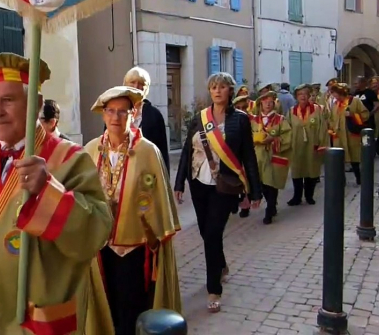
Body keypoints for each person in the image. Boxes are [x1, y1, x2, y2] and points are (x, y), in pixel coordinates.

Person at [0, 53, 113, 334]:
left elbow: (96, 233)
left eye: (8, 100)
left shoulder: (69, 159)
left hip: (36, 322)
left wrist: (49, 192)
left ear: (36, 104)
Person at [85, 86, 181, 334]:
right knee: (106, 307)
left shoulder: (148, 151)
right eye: (110, 111)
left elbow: (160, 199)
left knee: (131, 309)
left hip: (134, 246)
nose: (115, 118)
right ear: (103, 114)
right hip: (99, 248)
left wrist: (156, 234)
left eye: (122, 112)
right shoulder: (90, 150)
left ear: (133, 113)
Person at [174, 72, 262, 313]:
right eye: (213, 87)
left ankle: (214, 289)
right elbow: (186, 152)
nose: (217, 91)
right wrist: (179, 183)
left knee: (213, 233)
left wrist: (255, 190)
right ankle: (220, 264)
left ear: (230, 91)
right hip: (199, 183)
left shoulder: (240, 120)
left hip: (225, 185)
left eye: (222, 87)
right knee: (206, 232)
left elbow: (248, 156)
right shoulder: (199, 118)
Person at [250, 91, 292, 225]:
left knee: (272, 183)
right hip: (258, 157)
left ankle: (270, 210)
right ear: (260, 103)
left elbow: (288, 138)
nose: (268, 104)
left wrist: (273, 139)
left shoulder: (280, 119)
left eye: (271, 101)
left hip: (273, 156)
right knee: (262, 184)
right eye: (265, 101)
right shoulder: (253, 120)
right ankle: (271, 205)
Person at [123, 67, 171, 173]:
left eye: (141, 84)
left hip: (146, 173)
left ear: (147, 88)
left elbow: (162, 151)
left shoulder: (155, 115)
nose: (136, 87)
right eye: (132, 82)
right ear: (125, 85)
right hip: (120, 172)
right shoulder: (116, 111)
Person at [287, 84, 328, 206]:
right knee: (297, 170)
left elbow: (323, 128)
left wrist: (321, 144)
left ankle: (309, 196)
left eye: (305, 94)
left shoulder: (317, 110)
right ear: (296, 97)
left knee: (312, 170)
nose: (303, 96)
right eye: (300, 94)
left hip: (313, 145)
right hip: (296, 146)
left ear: (309, 95)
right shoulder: (291, 112)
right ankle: (297, 196)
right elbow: (286, 130)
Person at [328, 83, 370, 185]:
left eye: (334, 93)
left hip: (351, 134)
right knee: (339, 159)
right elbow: (332, 119)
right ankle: (341, 180)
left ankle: (359, 178)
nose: (333, 96)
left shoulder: (354, 101)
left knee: (354, 158)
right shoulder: (335, 104)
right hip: (339, 135)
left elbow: (365, 115)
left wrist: (352, 115)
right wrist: (332, 130)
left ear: (340, 93)